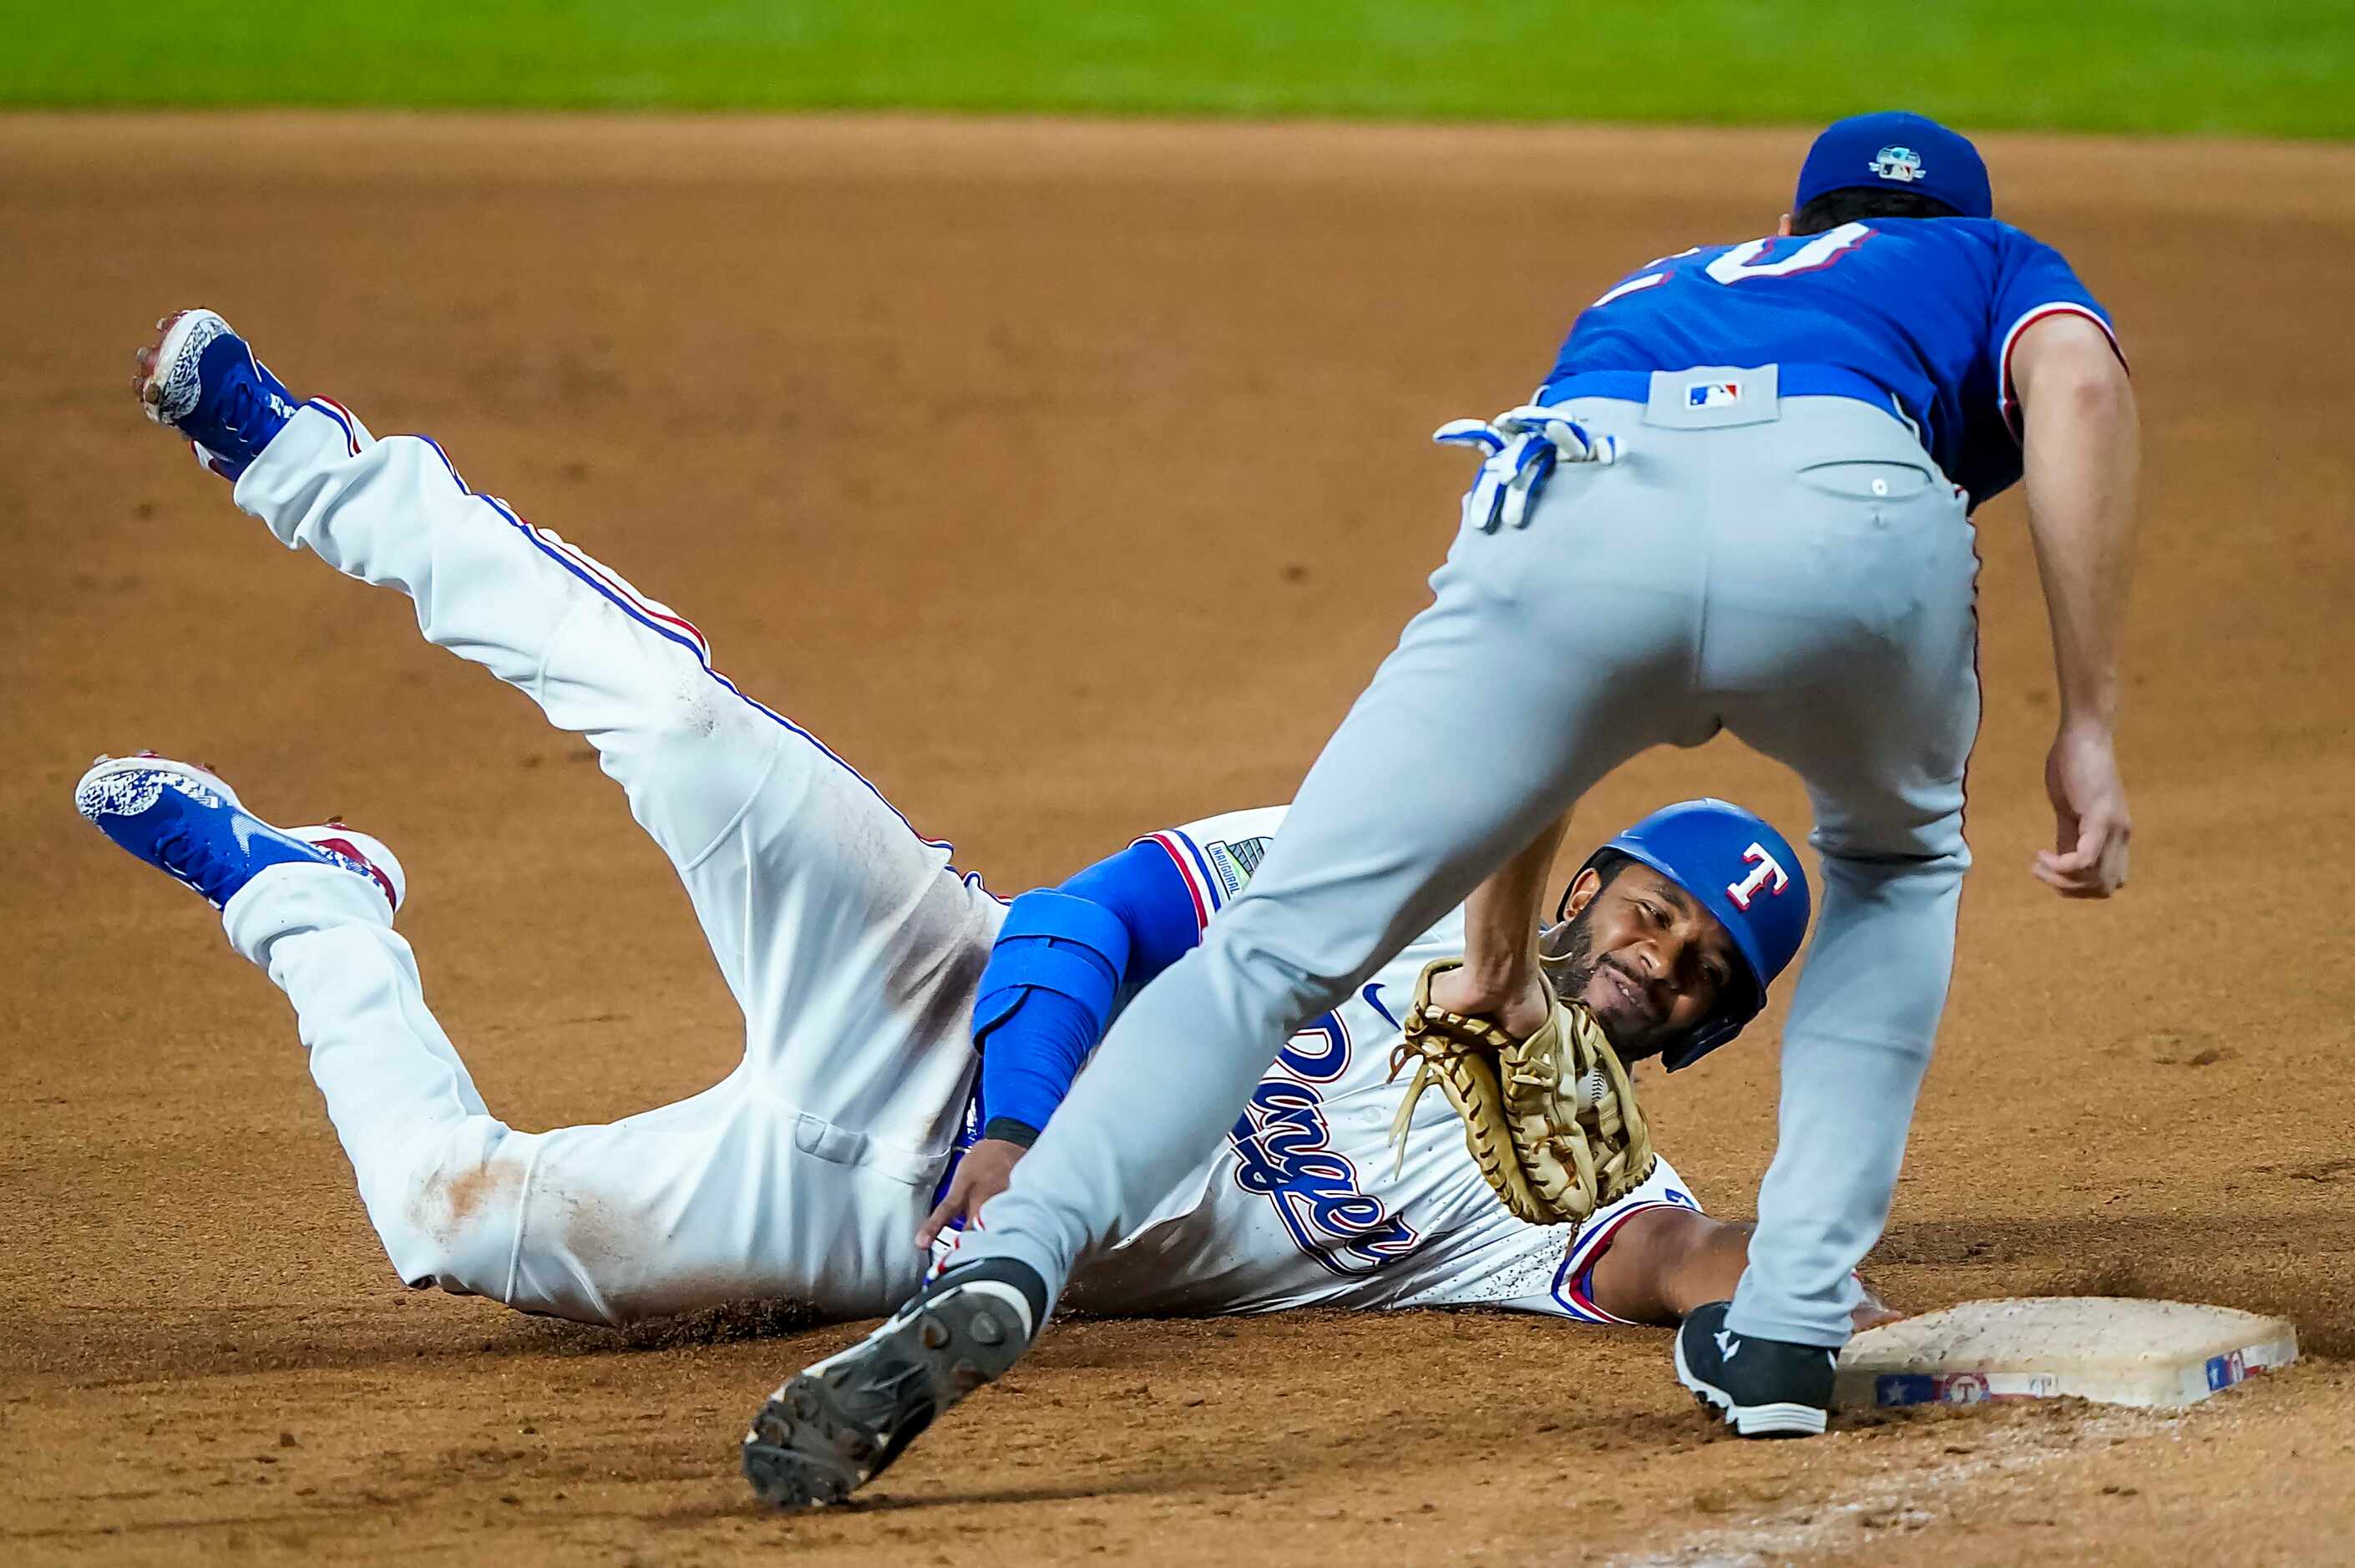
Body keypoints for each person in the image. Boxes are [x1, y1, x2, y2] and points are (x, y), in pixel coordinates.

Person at [749, 108, 2136, 1491]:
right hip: (1854, 508)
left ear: (1794, 227)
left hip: (1581, 493)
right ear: (1958, 222)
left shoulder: (1666, 284)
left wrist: (1498, 953)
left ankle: (1016, 1249)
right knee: (1894, 863)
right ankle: (1782, 1334)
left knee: (1273, 947)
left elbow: (1547, 740)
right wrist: (2087, 718)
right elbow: (2074, 386)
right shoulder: (1993, 259)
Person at [90, 311, 1875, 1373]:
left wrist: (1801, 1255)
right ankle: (307, 464)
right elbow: (1086, 922)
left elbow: (1680, 1269)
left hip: (873, 1236)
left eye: (1697, 972)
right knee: (686, 724)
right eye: (1653, 910)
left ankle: (306, 901)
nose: (1653, 959)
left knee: (458, 1224)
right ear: (1584, 885)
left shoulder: (1560, 1197)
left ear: (1705, 1031)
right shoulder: (1384, 879)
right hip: (937, 997)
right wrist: (1014, 1133)